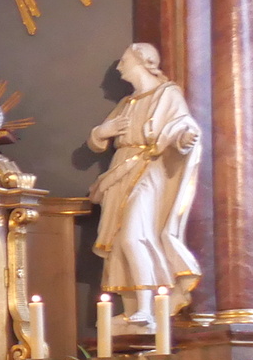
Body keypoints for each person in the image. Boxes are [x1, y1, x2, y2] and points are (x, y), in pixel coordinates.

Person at [86, 42, 203, 325]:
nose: (119, 67)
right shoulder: (127, 103)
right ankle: (135, 309)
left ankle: (150, 307)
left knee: (133, 235)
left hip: (150, 167)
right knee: (117, 241)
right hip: (121, 172)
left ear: (142, 61)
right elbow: (97, 142)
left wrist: (183, 140)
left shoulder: (167, 94)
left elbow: (182, 126)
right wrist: (103, 131)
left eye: (124, 60)